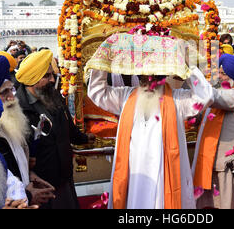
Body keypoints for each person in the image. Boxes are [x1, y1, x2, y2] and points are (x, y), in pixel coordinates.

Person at [87, 50, 214, 209]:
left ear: (162, 78)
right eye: (143, 79)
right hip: (134, 174)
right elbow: (97, 92)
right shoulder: (126, 96)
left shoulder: (177, 99)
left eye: (154, 79)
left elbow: (206, 97)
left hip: (164, 178)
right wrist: (102, 59)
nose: (148, 84)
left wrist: (189, 66)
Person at [0, 56, 56, 206]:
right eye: (4, 92)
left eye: (11, 89)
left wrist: (30, 175)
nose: (12, 97)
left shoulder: (11, 124)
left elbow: (14, 166)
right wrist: (28, 195)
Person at [16, 50, 93, 209]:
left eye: (52, 74)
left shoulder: (53, 95)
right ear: (32, 79)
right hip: (42, 185)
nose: (52, 79)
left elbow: (68, 128)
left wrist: (84, 138)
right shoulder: (18, 109)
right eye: (47, 76)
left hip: (64, 175)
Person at [193, 54, 234, 209]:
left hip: (228, 166)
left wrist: (191, 70)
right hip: (211, 163)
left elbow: (212, 96)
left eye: (223, 73)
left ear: (233, 77)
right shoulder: (222, 94)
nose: (219, 76)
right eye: (219, 72)